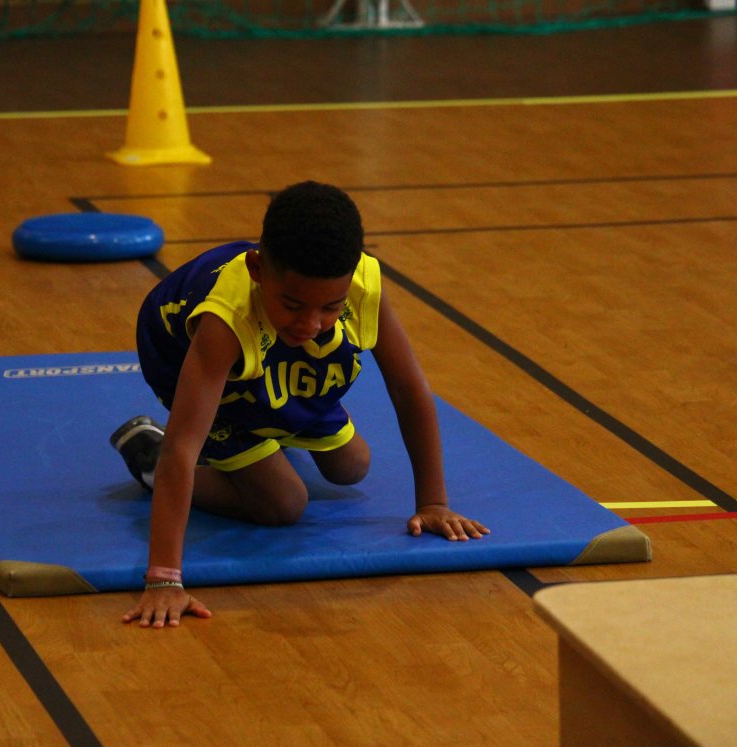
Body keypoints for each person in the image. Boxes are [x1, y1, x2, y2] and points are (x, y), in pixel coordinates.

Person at [112, 180, 490, 628]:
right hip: (176, 349)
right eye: (294, 305)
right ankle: (148, 456)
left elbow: (409, 390)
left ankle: (272, 422)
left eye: (331, 307)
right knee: (283, 503)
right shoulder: (225, 322)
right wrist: (164, 579)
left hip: (266, 343)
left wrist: (433, 503)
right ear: (257, 269)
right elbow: (184, 447)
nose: (311, 323)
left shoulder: (361, 283)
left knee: (352, 466)